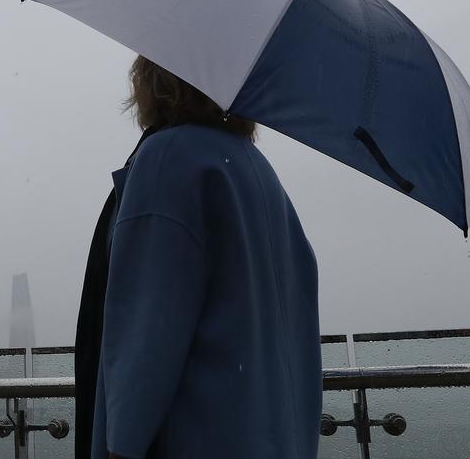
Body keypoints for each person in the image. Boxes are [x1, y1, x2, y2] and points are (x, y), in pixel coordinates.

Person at [75, 55, 321, 459]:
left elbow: (148, 325)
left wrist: (123, 444)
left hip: (193, 437)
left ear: (154, 82)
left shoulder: (168, 158)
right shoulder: (258, 171)